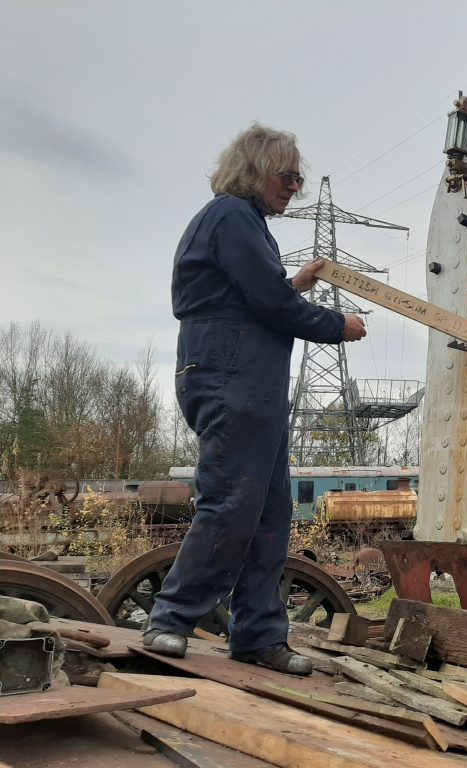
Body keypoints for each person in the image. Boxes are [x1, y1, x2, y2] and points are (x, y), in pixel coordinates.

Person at [143, 123, 366, 675]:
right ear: (254, 169)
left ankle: (259, 635)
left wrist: (295, 286)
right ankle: (170, 619)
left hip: (250, 380)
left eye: (299, 179)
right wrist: (338, 323)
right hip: (231, 376)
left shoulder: (245, 224)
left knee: (269, 514)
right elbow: (268, 305)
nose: (294, 187)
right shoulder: (231, 216)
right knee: (232, 503)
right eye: (286, 176)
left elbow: (253, 296)